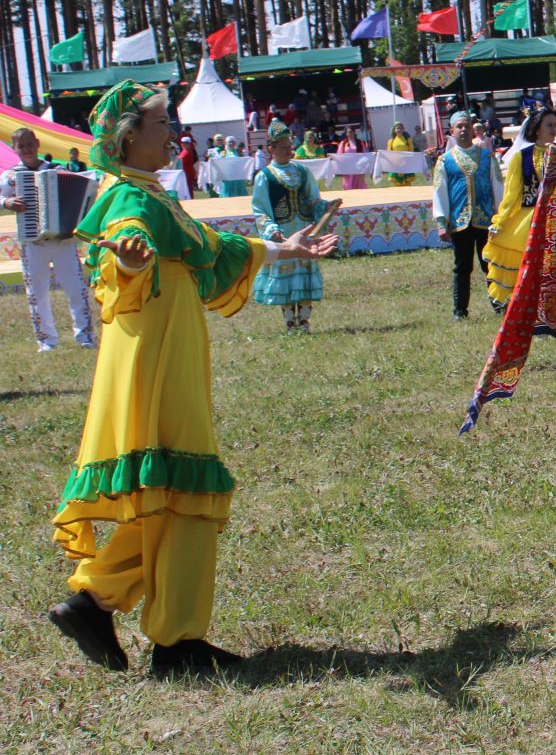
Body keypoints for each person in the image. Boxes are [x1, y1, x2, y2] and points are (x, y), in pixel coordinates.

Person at [46, 80, 336, 678]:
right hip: (155, 353)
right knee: (184, 483)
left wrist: (284, 248)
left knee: (174, 490)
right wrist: (128, 259)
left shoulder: (152, 193)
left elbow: (214, 249)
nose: (172, 132)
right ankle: (164, 637)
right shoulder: (131, 198)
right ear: (129, 137)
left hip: (165, 345)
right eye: (160, 124)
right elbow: (121, 255)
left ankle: (109, 608)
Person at [2, 127, 97, 352]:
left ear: (37, 144)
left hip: (63, 239)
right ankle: (45, 340)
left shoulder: (57, 169)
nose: (26, 149)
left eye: (29, 144)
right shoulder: (10, 176)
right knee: (36, 291)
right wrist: (6, 203)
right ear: (14, 148)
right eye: (21, 146)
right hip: (32, 241)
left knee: (76, 288)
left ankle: (85, 336)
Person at [485, 106, 556, 312]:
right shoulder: (521, 157)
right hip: (529, 221)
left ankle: (552, 316)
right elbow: (511, 196)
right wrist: (499, 222)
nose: (554, 129)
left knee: (554, 269)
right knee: (529, 269)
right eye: (549, 125)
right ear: (537, 129)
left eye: (555, 125)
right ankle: (528, 313)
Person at [250, 123, 329, 332]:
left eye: (289, 145)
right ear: (271, 149)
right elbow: (260, 209)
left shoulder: (303, 171)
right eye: (283, 146)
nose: (288, 149)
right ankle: (289, 322)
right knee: (285, 278)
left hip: (303, 230)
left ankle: (304, 321)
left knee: (303, 275)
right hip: (282, 235)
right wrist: (270, 230)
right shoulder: (264, 177)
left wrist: (326, 207)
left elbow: (313, 199)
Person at [432, 111, 504, 319]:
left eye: (466, 125)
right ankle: (459, 311)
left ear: (472, 128)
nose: (463, 130)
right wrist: (441, 221)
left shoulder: (487, 157)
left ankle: (499, 305)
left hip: (485, 220)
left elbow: (497, 188)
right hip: (458, 221)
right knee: (462, 267)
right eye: (459, 126)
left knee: (489, 264)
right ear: (452, 131)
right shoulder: (444, 161)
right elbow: (440, 191)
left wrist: (500, 215)